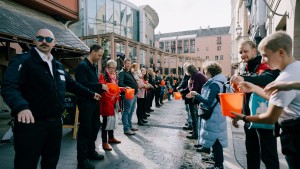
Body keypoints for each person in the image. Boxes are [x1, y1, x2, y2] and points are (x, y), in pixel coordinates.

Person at [1, 29, 101, 169]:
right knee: (26, 163)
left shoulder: (57, 65)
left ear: (54, 43)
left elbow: (72, 85)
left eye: (48, 39)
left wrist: (91, 94)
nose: (44, 41)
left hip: (54, 124)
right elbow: (9, 86)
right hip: (31, 124)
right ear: (35, 41)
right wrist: (21, 106)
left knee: (50, 162)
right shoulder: (23, 61)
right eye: (40, 38)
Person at [232, 31, 300, 169]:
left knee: (269, 157)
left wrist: (244, 117)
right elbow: (274, 97)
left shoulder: (284, 78)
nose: (263, 60)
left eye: (265, 56)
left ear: (281, 53)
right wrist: (254, 88)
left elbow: (270, 118)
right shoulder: (296, 68)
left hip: (294, 133)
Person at [230, 40, 280, 169]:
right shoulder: (247, 67)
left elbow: (269, 78)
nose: (242, 55)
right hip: (249, 117)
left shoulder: (263, 64)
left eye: (245, 51)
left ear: (254, 51)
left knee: (269, 157)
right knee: (251, 153)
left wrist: (244, 79)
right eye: (241, 52)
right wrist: (240, 114)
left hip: (265, 117)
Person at [189, 61, 228, 169]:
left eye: (206, 72)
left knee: (216, 141)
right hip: (218, 113)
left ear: (211, 71)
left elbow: (208, 101)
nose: (205, 74)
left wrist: (196, 94)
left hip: (215, 114)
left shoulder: (215, 84)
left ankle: (218, 165)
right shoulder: (220, 81)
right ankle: (217, 163)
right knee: (216, 139)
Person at [74, 44, 108, 169]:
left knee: (94, 127)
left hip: (94, 101)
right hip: (85, 102)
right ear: (92, 52)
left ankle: (91, 152)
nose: (100, 58)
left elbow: (92, 83)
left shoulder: (93, 66)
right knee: (84, 131)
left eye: (101, 56)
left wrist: (100, 87)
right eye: (99, 55)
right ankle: (82, 161)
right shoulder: (82, 66)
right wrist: (100, 87)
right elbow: (82, 85)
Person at [98, 60, 122, 151]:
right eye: (111, 67)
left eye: (114, 67)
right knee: (105, 122)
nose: (112, 69)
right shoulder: (103, 75)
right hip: (106, 101)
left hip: (113, 102)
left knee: (112, 120)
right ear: (107, 66)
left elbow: (115, 88)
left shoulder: (114, 76)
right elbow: (102, 86)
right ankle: (104, 142)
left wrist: (123, 88)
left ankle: (111, 137)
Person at [185, 64, 207, 139]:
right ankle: (196, 130)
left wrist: (189, 84)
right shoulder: (198, 74)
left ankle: (195, 133)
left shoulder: (196, 76)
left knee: (194, 116)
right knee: (195, 116)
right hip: (200, 97)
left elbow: (194, 90)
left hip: (198, 98)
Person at [118, 57, 139, 135]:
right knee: (126, 111)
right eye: (127, 63)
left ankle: (130, 126)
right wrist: (126, 86)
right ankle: (126, 128)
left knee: (131, 111)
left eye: (130, 63)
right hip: (128, 94)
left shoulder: (129, 71)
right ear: (124, 64)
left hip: (134, 94)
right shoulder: (122, 72)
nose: (129, 65)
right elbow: (119, 83)